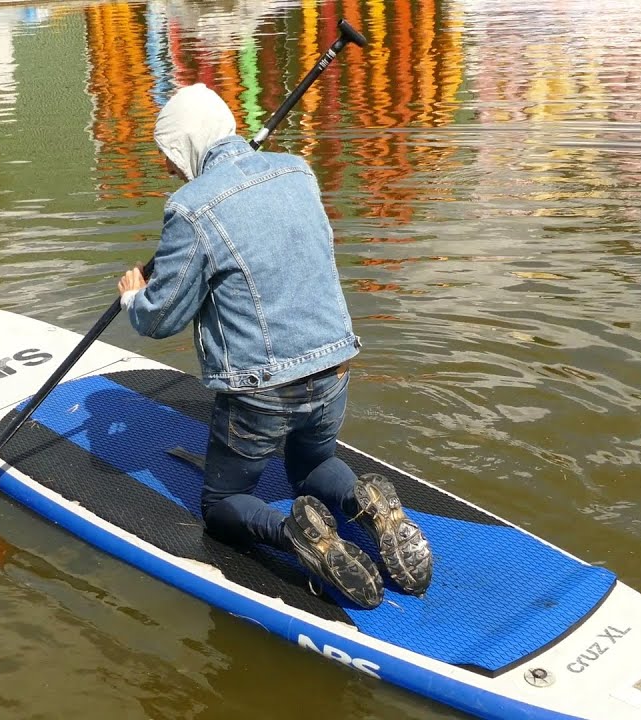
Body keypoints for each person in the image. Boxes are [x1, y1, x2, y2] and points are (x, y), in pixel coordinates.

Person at [115, 84, 432, 609]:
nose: (169, 170)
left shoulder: (190, 208)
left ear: (187, 146)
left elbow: (162, 317)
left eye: (170, 157)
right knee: (310, 466)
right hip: (334, 366)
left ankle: (295, 536)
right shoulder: (296, 171)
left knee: (222, 504)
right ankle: (368, 505)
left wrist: (134, 298)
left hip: (261, 388)